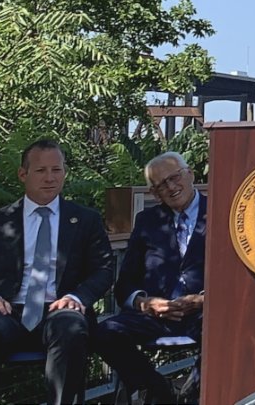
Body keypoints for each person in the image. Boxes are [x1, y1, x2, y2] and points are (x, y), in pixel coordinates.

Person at [0, 139, 115, 405]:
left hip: (60, 309)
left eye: (57, 170)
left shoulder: (85, 219)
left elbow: (104, 269)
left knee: (72, 330)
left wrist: (77, 297)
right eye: (41, 171)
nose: (50, 178)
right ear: (23, 174)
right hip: (8, 310)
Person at [93, 152, 206, 404]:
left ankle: (193, 395)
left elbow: (235, 278)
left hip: (205, 312)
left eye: (175, 178)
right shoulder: (147, 221)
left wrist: (203, 300)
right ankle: (158, 389)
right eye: (161, 185)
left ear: (190, 175)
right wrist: (146, 303)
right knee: (105, 332)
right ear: (154, 194)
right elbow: (125, 285)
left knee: (225, 332)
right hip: (157, 314)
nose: (171, 187)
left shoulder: (222, 213)